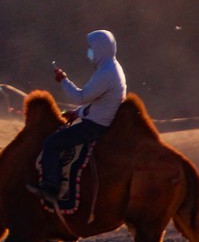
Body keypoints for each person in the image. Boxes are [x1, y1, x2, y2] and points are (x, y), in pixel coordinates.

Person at [27, 29, 127, 203]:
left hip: (95, 126)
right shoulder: (111, 68)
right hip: (97, 119)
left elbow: (81, 97)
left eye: (92, 48)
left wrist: (63, 80)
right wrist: (78, 112)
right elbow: (98, 100)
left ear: (100, 49)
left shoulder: (106, 73)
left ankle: (51, 187)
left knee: (51, 143)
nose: (89, 52)